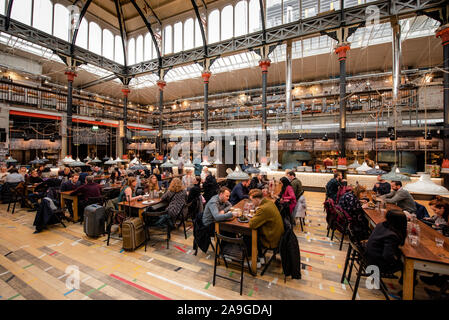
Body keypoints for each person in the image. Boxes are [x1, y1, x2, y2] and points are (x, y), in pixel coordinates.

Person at [248, 189, 284, 266]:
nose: (252, 203)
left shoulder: (263, 209)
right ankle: (261, 257)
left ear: (257, 199)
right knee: (255, 232)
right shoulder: (269, 202)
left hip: (271, 240)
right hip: (277, 235)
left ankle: (255, 261)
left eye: (252, 200)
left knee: (248, 235)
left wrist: (256, 214)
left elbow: (252, 224)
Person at [365, 210, 407, 274]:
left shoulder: (380, 225)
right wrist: (395, 261)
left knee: (398, 254)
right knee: (404, 264)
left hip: (368, 256)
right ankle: (406, 282)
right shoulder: (392, 235)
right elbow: (387, 255)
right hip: (376, 264)